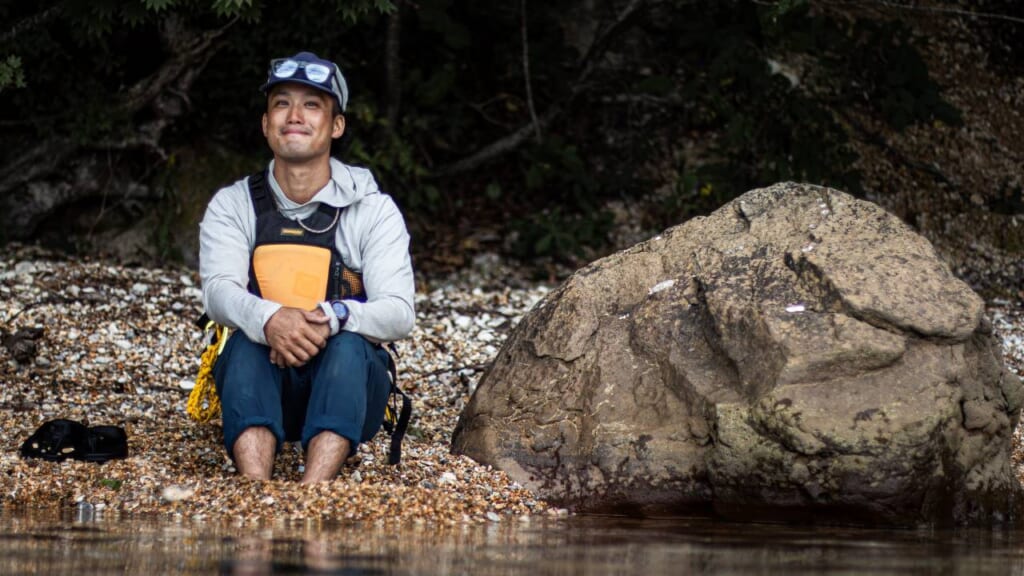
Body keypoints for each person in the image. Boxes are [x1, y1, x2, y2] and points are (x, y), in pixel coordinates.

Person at [198, 51, 415, 483]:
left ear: (336, 126)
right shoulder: (231, 204)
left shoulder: (374, 210)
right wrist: (271, 318)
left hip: (350, 392)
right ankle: (254, 487)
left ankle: (314, 490)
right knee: (240, 344)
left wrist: (334, 318)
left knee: (351, 345)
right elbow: (218, 293)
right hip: (262, 383)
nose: (294, 115)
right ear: (265, 124)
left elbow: (399, 313)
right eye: (281, 103)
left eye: (312, 104)